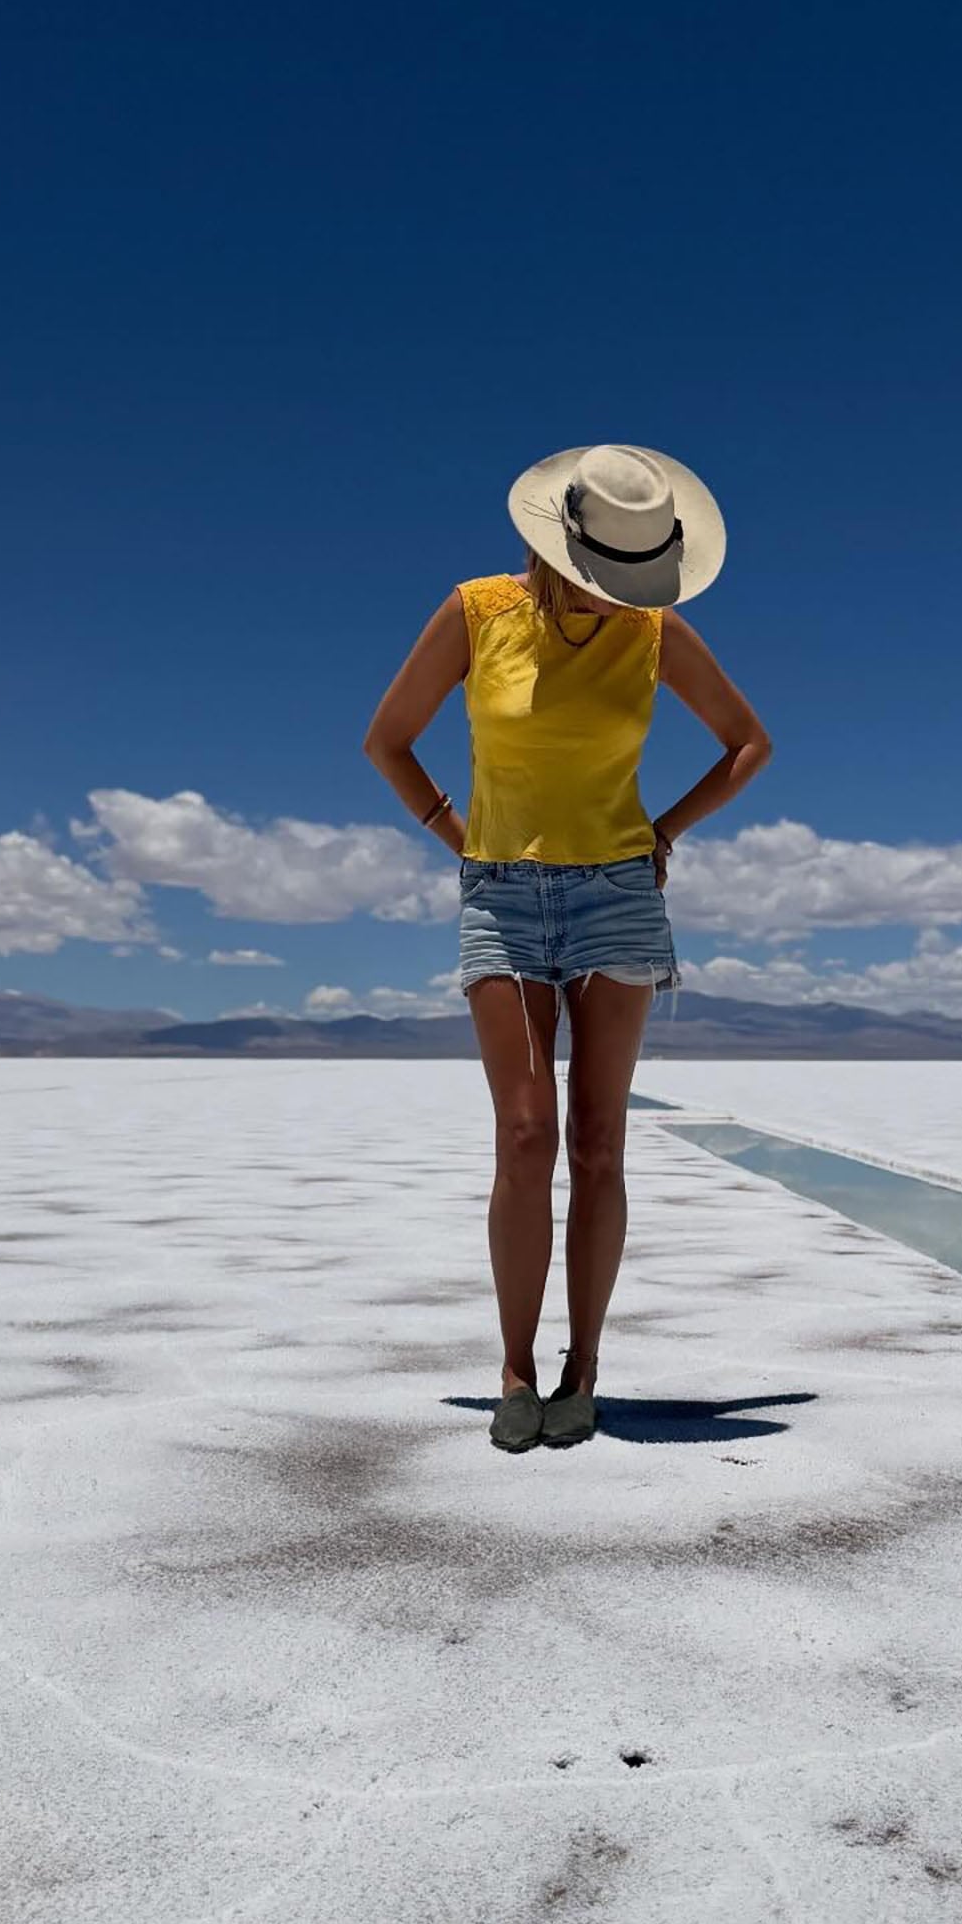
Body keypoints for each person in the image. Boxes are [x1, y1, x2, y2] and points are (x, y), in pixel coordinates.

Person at [363, 442, 772, 1452]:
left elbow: (747, 744)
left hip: (617, 900)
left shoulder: (655, 634)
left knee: (597, 1143)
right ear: (557, 546)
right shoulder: (477, 613)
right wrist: (458, 836)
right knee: (522, 1136)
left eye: (628, 581)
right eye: (600, 574)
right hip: (501, 897)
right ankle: (512, 1367)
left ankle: (581, 1368)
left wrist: (664, 833)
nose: (611, 596)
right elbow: (389, 739)